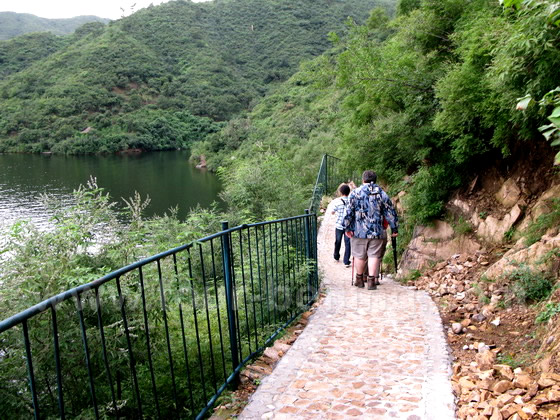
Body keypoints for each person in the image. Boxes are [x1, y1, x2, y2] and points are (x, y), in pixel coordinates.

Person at [343, 170, 398, 290]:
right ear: (375, 180)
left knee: (359, 255)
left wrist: (347, 227)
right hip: (377, 231)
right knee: (374, 255)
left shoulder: (355, 193)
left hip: (358, 231)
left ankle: (359, 279)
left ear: (363, 180)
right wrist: (394, 228)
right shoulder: (382, 194)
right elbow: (390, 212)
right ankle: (372, 281)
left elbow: (348, 212)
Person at [331, 184, 351, 267]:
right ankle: (346, 261)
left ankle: (336, 256)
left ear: (341, 192)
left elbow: (332, 211)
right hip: (348, 226)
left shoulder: (337, 201)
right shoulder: (351, 201)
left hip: (339, 225)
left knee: (338, 241)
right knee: (348, 243)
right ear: (349, 192)